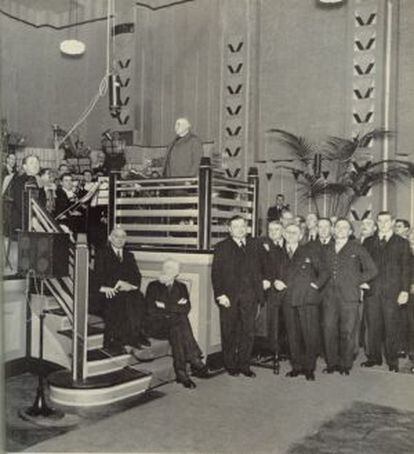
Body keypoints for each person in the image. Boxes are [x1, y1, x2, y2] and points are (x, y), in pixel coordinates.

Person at [274, 223, 329, 380]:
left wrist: (315, 286)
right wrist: (276, 282)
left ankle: (309, 368)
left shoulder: (309, 250)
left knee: (309, 335)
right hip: (287, 300)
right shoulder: (279, 253)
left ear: (300, 236)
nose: (291, 235)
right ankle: (296, 367)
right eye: (288, 232)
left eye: (295, 233)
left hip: (307, 299)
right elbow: (273, 273)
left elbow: (324, 272)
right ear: (284, 234)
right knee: (292, 335)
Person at [322, 218, 377, 375]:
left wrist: (356, 281)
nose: (340, 229)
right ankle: (331, 363)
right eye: (338, 227)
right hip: (329, 297)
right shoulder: (327, 248)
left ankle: (345, 365)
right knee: (328, 330)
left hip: (349, 297)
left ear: (351, 231)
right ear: (333, 230)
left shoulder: (357, 247)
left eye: (344, 227)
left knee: (347, 332)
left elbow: (372, 270)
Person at [145, 259, 210, 389]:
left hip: (174, 326)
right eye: (166, 268)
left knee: (177, 328)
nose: (168, 271)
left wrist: (165, 307)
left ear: (177, 273)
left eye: (172, 269)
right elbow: (151, 310)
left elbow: (186, 308)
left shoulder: (181, 287)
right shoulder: (153, 286)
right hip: (158, 326)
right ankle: (194, 359)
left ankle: (181, 373)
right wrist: (174, 307)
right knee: (180, 322)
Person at [211, 215, 264, 377]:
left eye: (243, 226)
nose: (240, 229)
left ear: (247, 228)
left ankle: (244, 365)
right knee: (229, 332)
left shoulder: (255, 245)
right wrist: (220, 295)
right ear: (229, 229)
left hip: (250, 297)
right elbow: (216, 274)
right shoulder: (221, 247)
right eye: (236, 226)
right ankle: (230, 365)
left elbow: (262, 268)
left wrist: (261, 290)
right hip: (229, 298)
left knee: (248, 333)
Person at [362, 212, 411, 372]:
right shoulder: (368, 241)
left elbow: (406, 268)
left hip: (393, 293)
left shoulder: (402, 243)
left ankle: (392, 361)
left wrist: (404, 290)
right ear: (377, 223)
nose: (383, 224)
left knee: (391, 327)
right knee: (373, 327)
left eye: (386, 221)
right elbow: (361, 264)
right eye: (380, 221)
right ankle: (374, 358)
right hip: (372, 292)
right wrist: (362, 282)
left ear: (392, 222)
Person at [94, 227, 150, 353]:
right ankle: (119, 339)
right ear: (110, 238)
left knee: (138, 296)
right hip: (108, 291)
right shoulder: (102, 253)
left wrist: (131, 286)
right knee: (121, 300)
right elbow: (99, 276)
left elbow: (137, 276)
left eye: (122, 237)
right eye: (116, 236)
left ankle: (136, 334)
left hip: (126, 290)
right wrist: (114, 285)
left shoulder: (129, 255)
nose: (120, 240)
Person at [257, 221, 285, 372]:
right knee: (269, 323)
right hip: (269, 290)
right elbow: (256, 265)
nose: (274, 232)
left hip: (285, 289)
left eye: (277, 229)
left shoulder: (288, 244)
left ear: (283, 230)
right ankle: (271, 350)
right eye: (271, 229)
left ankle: (280, 349)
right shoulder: (262, 244)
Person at [10, 155, 40, 237]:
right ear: (25, 167)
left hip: (37, 217)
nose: (35, 165)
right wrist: (32, 217)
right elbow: (20, 203)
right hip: (21, 218)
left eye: (37, 163)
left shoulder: (39, 181)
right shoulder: (18, 181)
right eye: (31, 163)